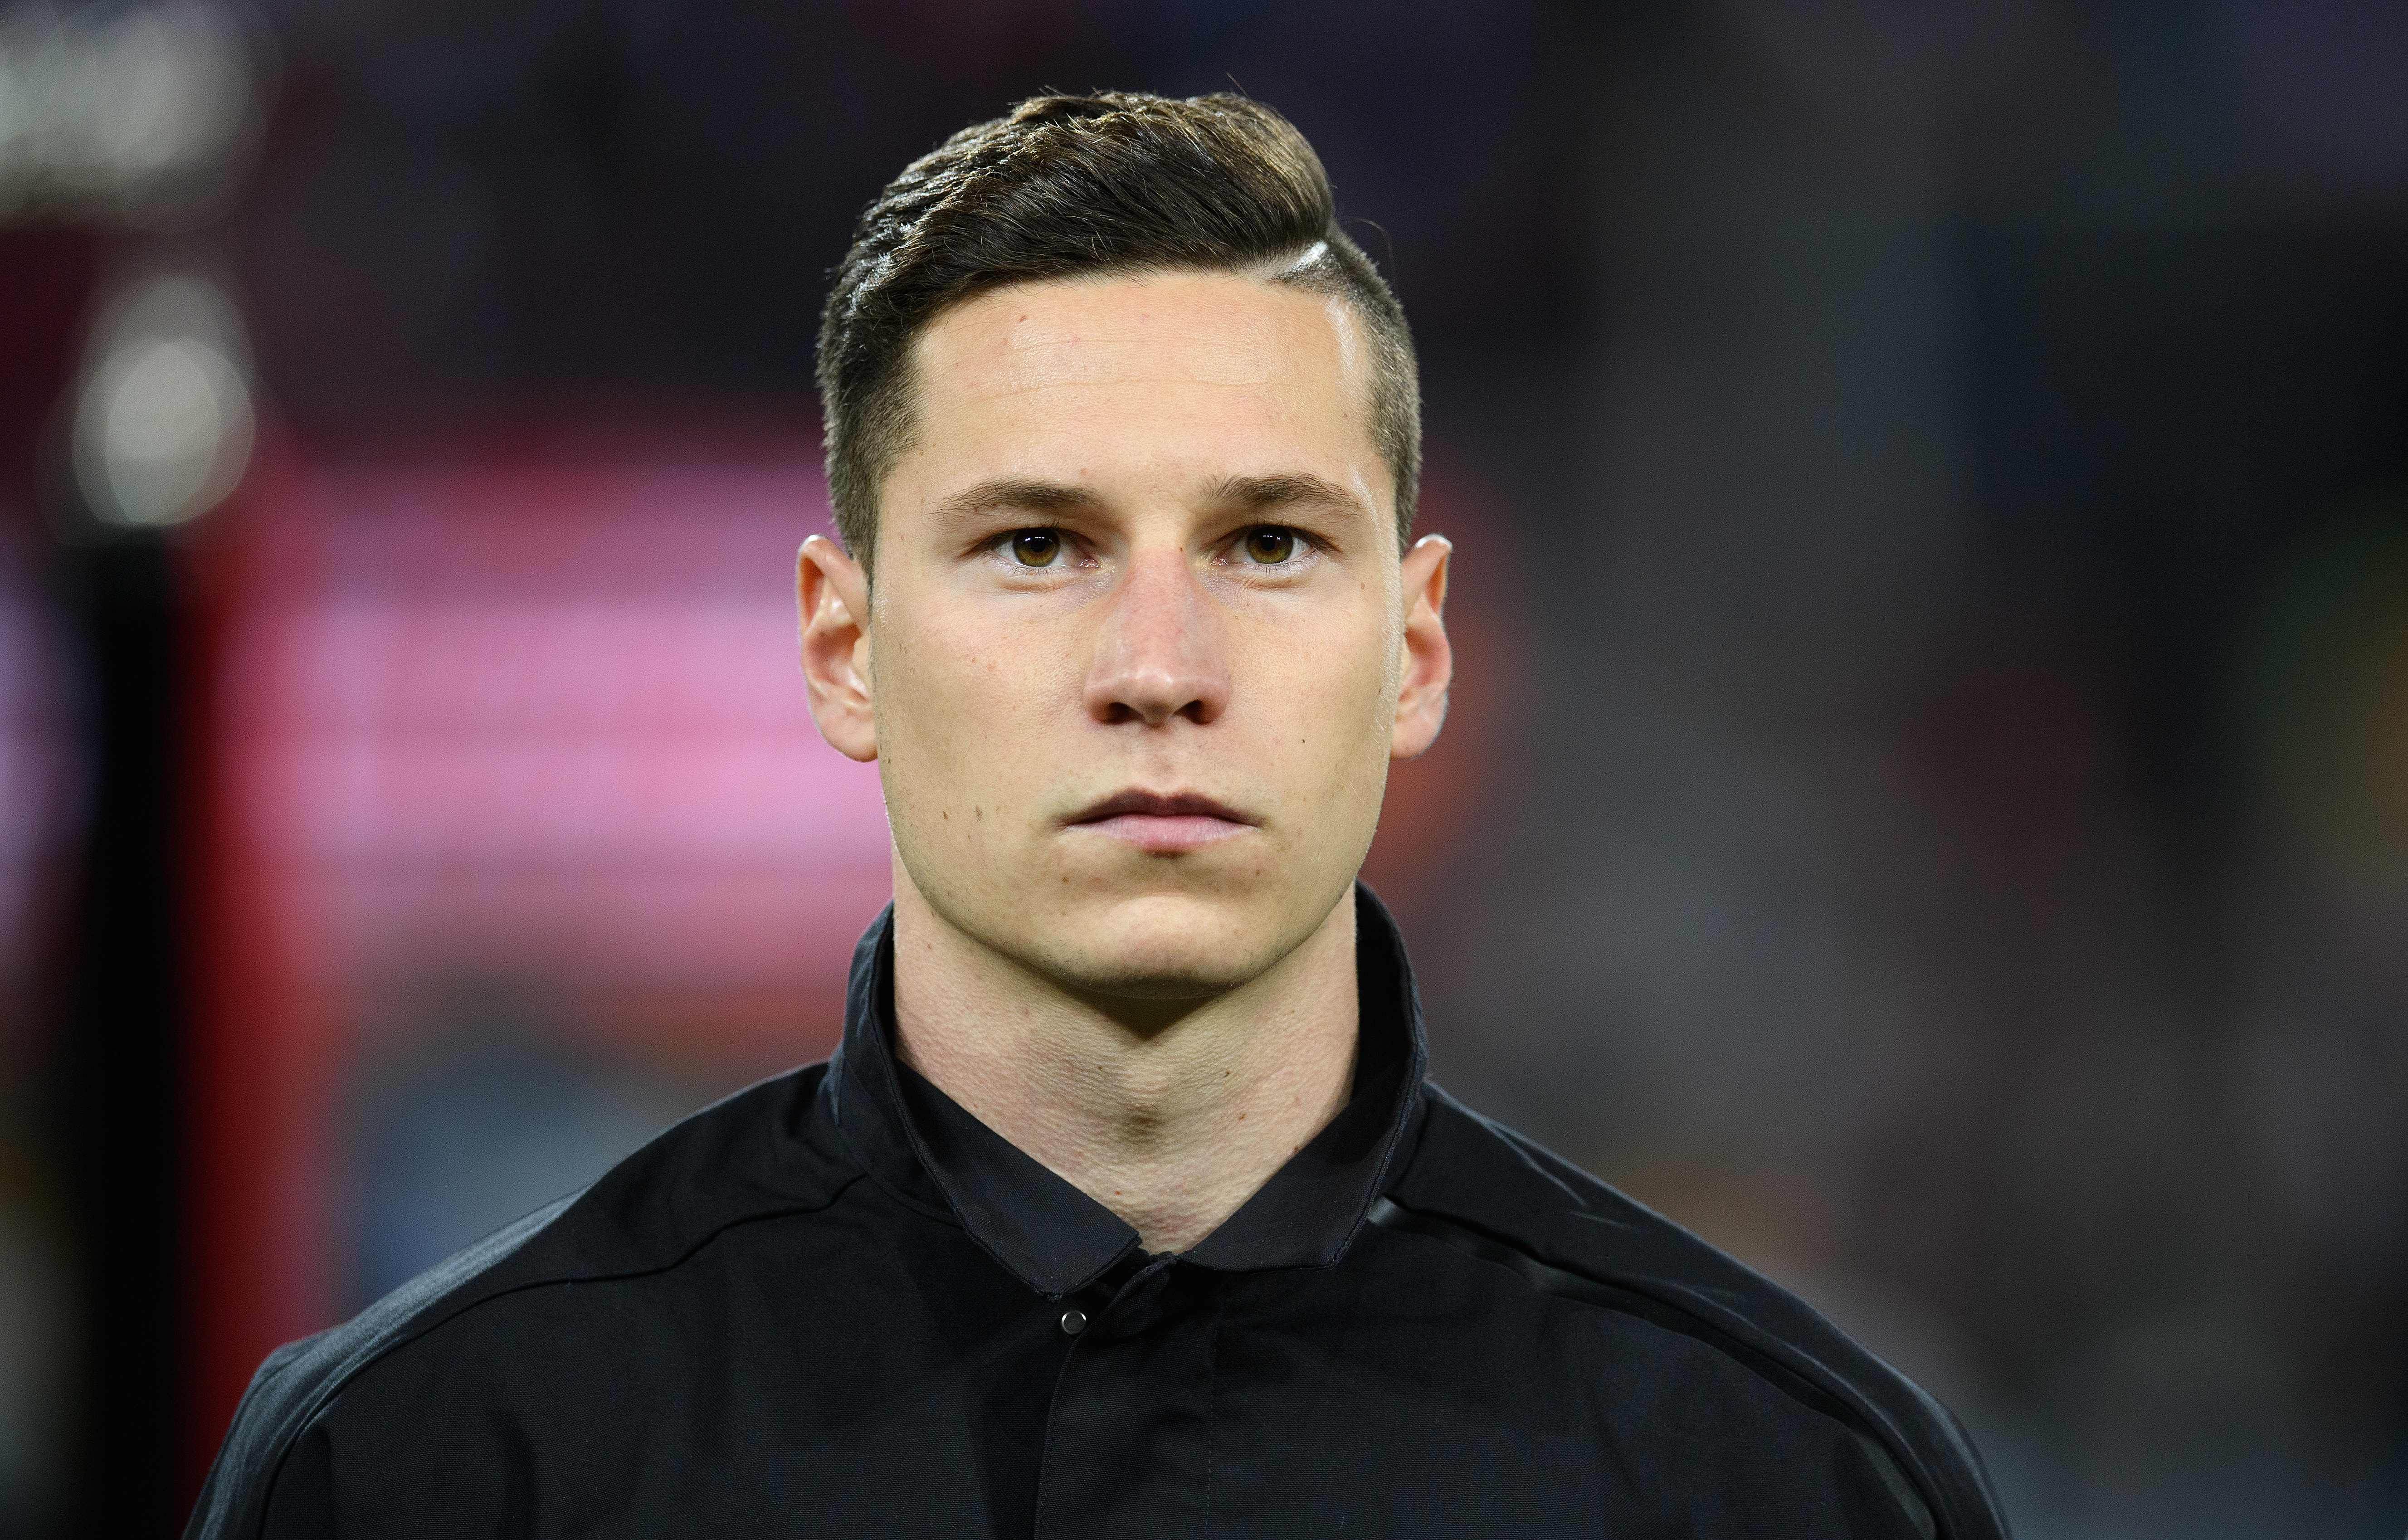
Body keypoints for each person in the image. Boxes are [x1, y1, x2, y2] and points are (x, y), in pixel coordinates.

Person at [189, 91, 2008, 1539]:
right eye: (1036, 547)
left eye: (1267, 545)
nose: (1158, 663)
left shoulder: (1782, 1479)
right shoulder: (440, 1463)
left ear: (1416, 646)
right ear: (842, 646)